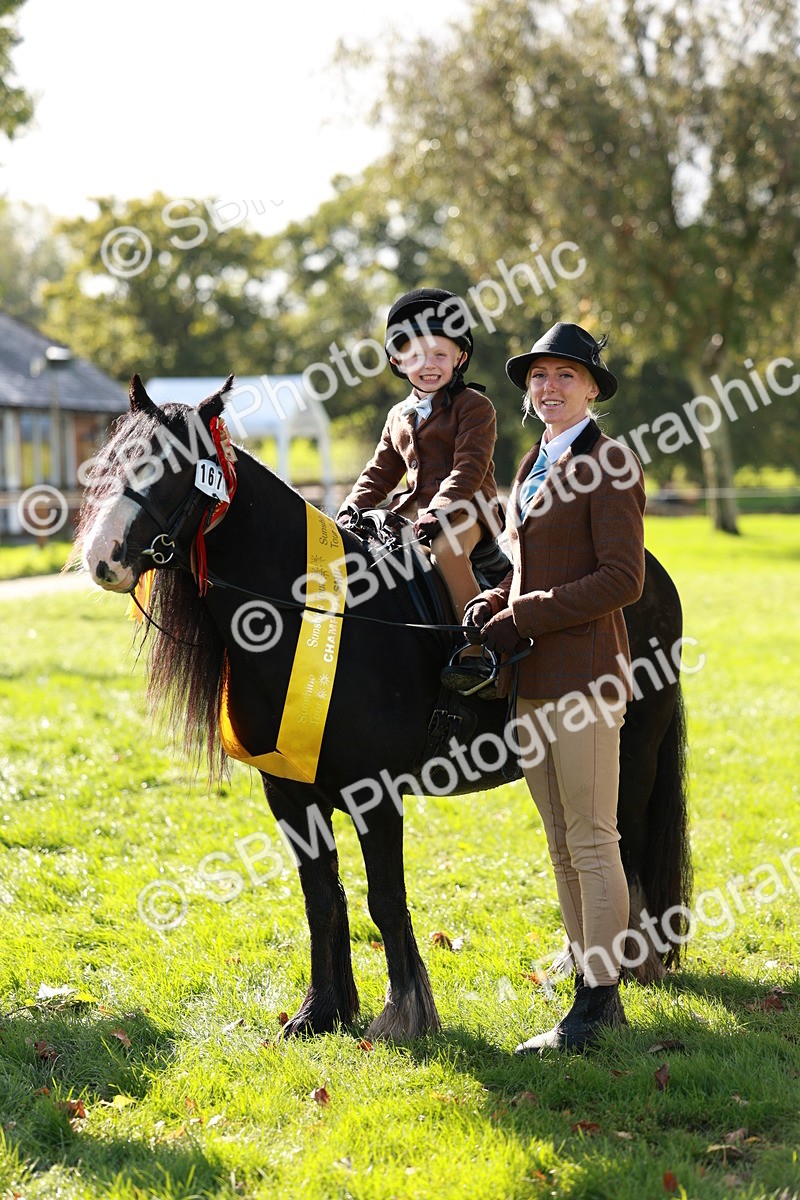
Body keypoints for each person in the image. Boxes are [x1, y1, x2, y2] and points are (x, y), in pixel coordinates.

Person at [466, 322, 646, 1053]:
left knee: (594, 839)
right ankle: (585, 984)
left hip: (585, 677)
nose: (549, 388)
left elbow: (621, 580)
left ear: (593, 388)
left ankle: (598, 1005)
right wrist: (497, 594)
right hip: (533, 677)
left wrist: (523, 614)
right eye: (539, 376)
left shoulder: (610, 463)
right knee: (561, 842)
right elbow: (531, 560)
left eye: (566, 376)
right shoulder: (532, 463)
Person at [339, 288, 503, 682]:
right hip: (413, 514)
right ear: (397, 360)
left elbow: (468, 468)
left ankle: (476, 650)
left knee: (446, 549)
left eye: (439, 355)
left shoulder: (475, 408)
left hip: (468, 510)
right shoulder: (398, 415)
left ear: (459, 358)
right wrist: (352, 507)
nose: (428, 365)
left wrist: (439, 510)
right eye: (415, 356)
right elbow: (380, 469)